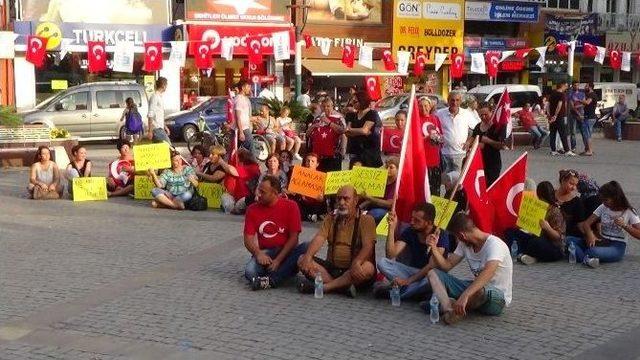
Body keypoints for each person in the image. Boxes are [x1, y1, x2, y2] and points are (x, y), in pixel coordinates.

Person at [426, 212, 513, 325]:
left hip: (495, 297)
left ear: (462, 236)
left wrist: (465, 295)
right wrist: (433, 248)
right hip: (474, 289)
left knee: (479, 290)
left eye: (456, 238)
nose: (457, 241)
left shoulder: (495, 244)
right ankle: (449, 309)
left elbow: (488, 272)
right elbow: (446, 265)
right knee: (433, 273)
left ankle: (454, 304)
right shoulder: (464, 244)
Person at [297, 186, 376, 297]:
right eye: (339, 199)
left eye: (346, 199)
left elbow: (368, 246)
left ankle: (325, 287)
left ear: (356, 200)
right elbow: (319, 238)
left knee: (369, 268)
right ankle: (342, 287)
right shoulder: (331, 218)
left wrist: (357, 262)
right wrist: (308, 256)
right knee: (302, 259)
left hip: (353, 270)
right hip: (332, 269)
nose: (341, 202)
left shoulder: (366, 220)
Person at [243, 175, 308, 290]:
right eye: (259, 190)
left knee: (307, 246)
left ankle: (271, 279)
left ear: (274, 193)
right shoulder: (252, 209)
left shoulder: (291, 206)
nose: (258, 195)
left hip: (286, 252)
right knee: (250, 271)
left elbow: (294, 238)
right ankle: (277, 275)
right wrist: (258, 253)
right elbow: (248, 238)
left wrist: (278, 260)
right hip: (266, 253)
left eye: (263, 192)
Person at [375, 203, 449, 300]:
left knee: (431, 280)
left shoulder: (440, 234)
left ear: (429, 223)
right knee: (382, 263)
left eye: (417, 220)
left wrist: (408, 281)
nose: (412, 222)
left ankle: (400, 294)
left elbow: (431, 266)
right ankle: (417, 292)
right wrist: (391, 228)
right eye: (412, 218)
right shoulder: (410, 231)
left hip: (429, 275)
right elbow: (390, 254)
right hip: (411, 272)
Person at [567, 181, 640, 268]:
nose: (604, 203)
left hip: (617, 246)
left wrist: (625, 225)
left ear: (615, 197)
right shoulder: (603, 207)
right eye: (602, 200)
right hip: (602, 241)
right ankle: (586, 258)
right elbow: (586, 224)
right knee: (568, 239)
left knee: (593, 251)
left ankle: (580, 255)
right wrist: (590, 235)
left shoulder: (629, 211)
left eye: (606, 200)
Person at [505, 181, 566, 265]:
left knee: (535, 243)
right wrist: (523, 223)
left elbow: (559, 237)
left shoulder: (555, 211)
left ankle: (531, 256)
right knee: (510, 232)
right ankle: (522, 254)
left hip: (552, 246)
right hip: (535, 237)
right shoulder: (537, 206)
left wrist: (547, 228)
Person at [437, 91, 479, 173]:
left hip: (460, 154)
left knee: (459, 182)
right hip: (444, 153)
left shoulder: (466, 114)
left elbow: (477, 129)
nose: (454, 103)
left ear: (460, 101)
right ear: (448, 100)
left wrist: (469, 141)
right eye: (452, 100)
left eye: (457, 100)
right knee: (447, 181)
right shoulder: (440, 114)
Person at [466, 104, 506, 187]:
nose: (483, 117)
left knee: (490, 186)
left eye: (486, 114)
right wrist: (468, 143)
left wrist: (488, 141)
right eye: (481, 115)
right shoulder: (478, 126)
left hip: (492, 163)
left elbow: (502, 146)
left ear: (492, 112)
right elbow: (473, 137)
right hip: (478, 161)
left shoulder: (496, 127)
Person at [307, 97, 346, 172]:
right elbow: (308, 135)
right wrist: (312, 126)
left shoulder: (339, 118)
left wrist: (329, 123)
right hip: (317, 155)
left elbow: (343, 131)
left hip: (333, 155)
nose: (326, 108)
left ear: (332, 106)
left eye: (328, 106)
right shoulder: (318, 118)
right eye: (324, 106)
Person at [345, 91, 383, 168]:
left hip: (370, 152)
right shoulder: (352, 115)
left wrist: (354, 130)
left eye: (355, 101)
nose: (352, 103)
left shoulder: (372, 114)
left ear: (362, 101)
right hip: (355, 151)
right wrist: (361, 131)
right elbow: (347, 132)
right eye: (352, 101)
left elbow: (364, 130)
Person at [221, 148, 261, 215]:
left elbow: (232, 171)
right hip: (234, 196)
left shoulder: (253, 167)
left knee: (238, 206)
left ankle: (236, 210)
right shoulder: (241, 166)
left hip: (246, 197)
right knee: (225, 197)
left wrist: (220, 161)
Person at [359, 156, 398, 224]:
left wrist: (369, 198)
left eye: (391, 167)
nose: (388, 169)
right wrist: (361, 206)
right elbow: (375, 196)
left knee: (374, 214)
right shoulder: (382, 179)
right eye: (386, 167)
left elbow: (389, 204)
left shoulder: (397, 184)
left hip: (388, 210)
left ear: (398, 169)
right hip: (375, 205)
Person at [419, 97, 444, 196]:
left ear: (430, 107)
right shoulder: (416, 120)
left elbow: (441, 136)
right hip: (423, 160)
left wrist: (438, 139)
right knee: (424, 191)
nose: (424, 108)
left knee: (435, 189)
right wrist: (427, 137)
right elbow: (414, 141)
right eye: (421, 106)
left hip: (435, 160)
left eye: (426, 106)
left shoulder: (435, 118)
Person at [291, 153, 327, 222]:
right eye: (308, 161)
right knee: (295, 202)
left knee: (322, 201)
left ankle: (312, 215)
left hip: (316, 202)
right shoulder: (299, 174)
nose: (310, 163)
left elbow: (323, 196)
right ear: (305, 162)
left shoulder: (321, 177)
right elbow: (294, 190)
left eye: (313, 161)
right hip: (303, 202)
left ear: (317, 164)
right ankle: (310, 216)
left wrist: (321, 198)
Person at [555, 169, 585, 240]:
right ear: (562, 180)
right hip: (549, 231)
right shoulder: (550, 195)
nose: (574, 188)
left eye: (576, 185)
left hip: (569, 237)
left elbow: (581, 224)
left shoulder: (577, 201)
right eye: (571, 184)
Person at [548, 82, 575, 156]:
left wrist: (550, 115)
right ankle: (567, 150)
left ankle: (553, 150)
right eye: (566, 86)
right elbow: (559, 105)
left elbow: (548, 105)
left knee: (552, 133)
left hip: (552, 116)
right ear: (562, 85)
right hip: (559, 116)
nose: (566, 88)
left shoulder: (552, 94)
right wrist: (556, 115)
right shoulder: (562, 95)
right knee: (563, 133)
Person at [147, 77, 171, 143]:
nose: (166, 87)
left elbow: (159, 115)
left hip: (160, 128)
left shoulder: (159, 97)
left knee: (160, 150)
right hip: (156, 129)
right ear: (163, 85)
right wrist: (150, 131)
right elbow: (150, 114)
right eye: (166, 85)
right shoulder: (155, 97)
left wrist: (165, 126)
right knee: (169, 147)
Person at [234, 80, 254, 150]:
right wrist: (241, 132)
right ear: (243, 88)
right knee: (249, 146)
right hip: (242, 129)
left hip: (245, 127)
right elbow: (238, 116)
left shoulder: (244, 99)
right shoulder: (239, 99)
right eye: (248, 87)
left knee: (241, 148)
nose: (250, 89)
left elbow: (246, 115)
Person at [580, 82, 599, 155]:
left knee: (587, 135)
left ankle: (590, 151)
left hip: (589, 117)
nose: (585, 87)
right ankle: (587, 149)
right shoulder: (591, 94)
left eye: (586, 86)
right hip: (589, 117)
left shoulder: (591, 94)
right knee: (586, 134)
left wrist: (579, 100)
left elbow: (587, 102)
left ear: (590, 87)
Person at [568, 81, 584, 152]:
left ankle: (586, 147)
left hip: (581, 114)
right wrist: (578, 113)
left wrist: (577, 104)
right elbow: (572, 107)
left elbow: (584, 103)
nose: (576, 86)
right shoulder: (570, 94)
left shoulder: (582, 94)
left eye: (577, 85)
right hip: (573, 115)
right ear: (572, 86)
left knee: (583, 131)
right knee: (573, 132)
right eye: (575, 85)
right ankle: (573, 147)